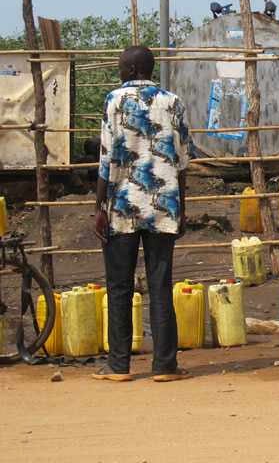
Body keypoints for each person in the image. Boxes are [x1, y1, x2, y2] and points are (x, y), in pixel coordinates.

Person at [92, 45, 193, 382]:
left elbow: (107, 160)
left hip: (122, 205)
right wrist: (182, 207)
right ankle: (165, 365)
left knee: (119, 285)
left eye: (122, 66)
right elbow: (181, 162)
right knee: (160, 284)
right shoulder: (173, 103)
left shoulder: (114, 101)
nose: (120, 71)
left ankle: (118, 366)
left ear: (133, 69)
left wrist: (98, 207)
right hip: (164, 205)